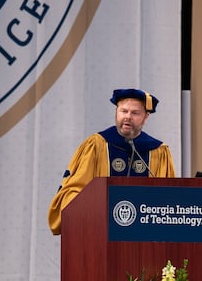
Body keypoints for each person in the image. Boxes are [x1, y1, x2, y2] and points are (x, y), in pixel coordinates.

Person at [47, 88, 176, 235]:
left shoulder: (158, 151)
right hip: (98, 233)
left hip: (143, 239)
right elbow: (74, 192)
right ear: (116, 112)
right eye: (123, 111)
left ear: (146, 117)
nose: (128, 117)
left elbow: (167, 201)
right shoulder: (96, 145)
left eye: (135, 113)